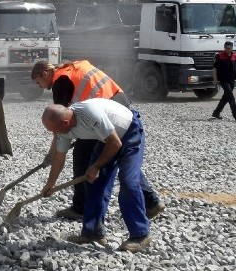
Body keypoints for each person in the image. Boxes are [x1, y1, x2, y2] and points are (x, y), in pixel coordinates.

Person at [31, 60, 164, 221]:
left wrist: (52, 154)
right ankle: (151, 201)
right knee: (123, 156)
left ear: (45, 73)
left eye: (39, 82)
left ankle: (80, 207)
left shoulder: (60, 81)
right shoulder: (72, 67)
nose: (40, 86)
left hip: (103, 113)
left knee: (82, 155)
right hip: (118, 103)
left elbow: (59, 123)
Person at [40, 99, 153, 253]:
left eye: (54, 130)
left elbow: (115, 144)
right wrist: (50, 184)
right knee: (94, 182)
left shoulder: (89, 114)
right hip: (107, 138)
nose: (54, 134)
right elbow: (59, 158)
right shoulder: (63, 129)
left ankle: (140, 234)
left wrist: (96, 166)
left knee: (129, 181)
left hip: (129, 132)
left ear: (65, 123)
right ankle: (93, 232)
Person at [211, 41, 236, 122]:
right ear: (224, 48)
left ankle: (216, 113)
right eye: (226, 48)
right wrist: (215, 79)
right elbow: (215, 69)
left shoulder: (235, 56)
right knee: (231, 98)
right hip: (223, 80)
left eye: (229, 48)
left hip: (232, 80)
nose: (228, 49)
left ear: (232, 48)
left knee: (225, 97)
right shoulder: (220, 56)